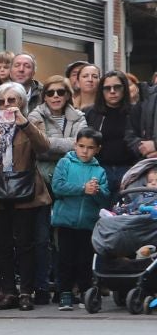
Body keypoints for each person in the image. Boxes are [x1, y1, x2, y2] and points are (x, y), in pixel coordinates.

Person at [0, 81, 50, 311]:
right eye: (1, 101)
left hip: (25, 188)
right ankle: (8, 291)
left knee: (26, 244)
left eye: (12, 100)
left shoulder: (32, 122)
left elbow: (44, 147)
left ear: (22, 103)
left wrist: (24, 123)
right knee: (2, 245)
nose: (6, 104)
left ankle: (26, 292)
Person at [28, 74, 84, 304]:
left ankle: (67, 287)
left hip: (68, 182)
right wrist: (64, 144)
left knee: (68, 237)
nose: (55, 96)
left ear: (68, 94)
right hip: (41, 182)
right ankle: (42, 286)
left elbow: (79, 145)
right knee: (41, 237)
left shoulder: (78, 116)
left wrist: (49, 142)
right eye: (50, 92)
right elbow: (36, 147)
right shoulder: (34, 115)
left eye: (60, 92)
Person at [50, 128, 109, 311]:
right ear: (75, 145)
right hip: (65, 221)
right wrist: (82, 188)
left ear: (97, 149)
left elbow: (105, 198)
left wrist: (96, 191)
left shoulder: (99, 171)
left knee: (85, 259)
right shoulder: (65, 163)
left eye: (90, 148)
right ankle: (65, 293)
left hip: (87, 223)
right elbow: (58, 187)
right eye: (81, 146)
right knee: (65, 258)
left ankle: (85, 292)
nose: (85, 151)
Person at [85, 69, 142, 192]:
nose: (112, 91)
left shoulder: (136, 112)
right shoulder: (90, 113)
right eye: (107, 88)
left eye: (117, 87)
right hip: (99, 169)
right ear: (102, 90)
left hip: (130, 169)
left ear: (124, 88)